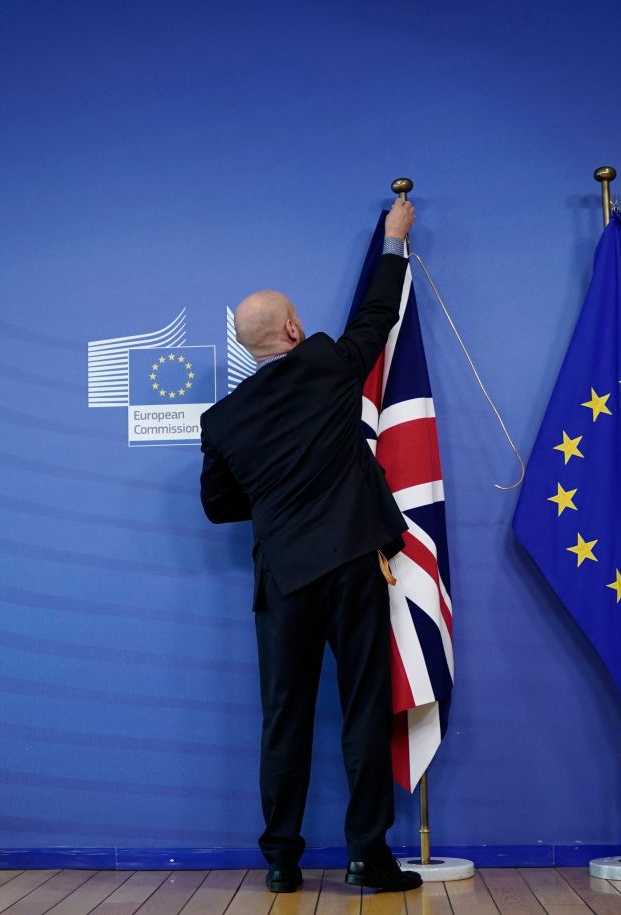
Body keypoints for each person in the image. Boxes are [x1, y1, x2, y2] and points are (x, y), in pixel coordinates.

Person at [199, 198, 422, 894]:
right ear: (293, 329)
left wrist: (273, 499)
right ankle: (368, 858)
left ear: (248, 344)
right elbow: (376, 320)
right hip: (354, 564)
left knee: (284, 718)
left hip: (284, 580)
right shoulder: (326, 362)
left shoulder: (223, 420)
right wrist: (392, 240)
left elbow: (216, 506)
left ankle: (281, 862)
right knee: (362, 709)